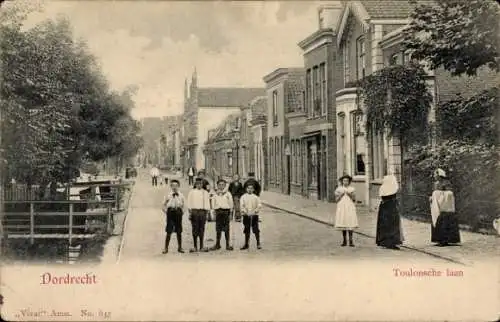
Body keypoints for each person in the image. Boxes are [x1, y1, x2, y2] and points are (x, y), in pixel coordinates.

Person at [375, 174, 404, 250]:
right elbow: (393, 198)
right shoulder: (391, 188)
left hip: (384, 208)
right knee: (392, 225)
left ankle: (384, 241)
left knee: (385, 225)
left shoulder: (383, 188)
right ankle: (391, 242)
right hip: (391, 208)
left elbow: (384, 197)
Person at [430, 178, 460, 246]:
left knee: (442, 226)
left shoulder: (437, 193)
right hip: (448, 211)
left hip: (443, 212)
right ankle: (445, 240)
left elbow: (437, 202)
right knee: (445, 226)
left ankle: (442, 241)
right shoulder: (449, 193)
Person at [187, 177, 210, 253]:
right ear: (195, 184)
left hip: (202, 212)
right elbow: (189, 203)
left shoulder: (205, 193)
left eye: (200, 184)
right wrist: (190, 213)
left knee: (201, 229)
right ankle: (195, 246)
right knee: (195, 229)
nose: (199, 185)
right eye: (197, 184)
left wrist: (206, 214)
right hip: (194, 212)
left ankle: (201, 246)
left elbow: (207, 203)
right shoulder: (192, 192)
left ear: (202, 184)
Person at [334, 175, 358, 247]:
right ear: (342, 181)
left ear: (349, 182)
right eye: (344, 181)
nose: (345, 182)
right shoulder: (339, 189)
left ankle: (351, 241)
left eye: (347, 181)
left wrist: (349, 194)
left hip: (349, 206)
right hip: (342, 206)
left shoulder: (352, 189)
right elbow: (336, 200)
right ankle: (344, 240)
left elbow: (354, 199)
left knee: (350, 222)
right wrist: (341, 195)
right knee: (343, 222)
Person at [210, 179, 234, 251]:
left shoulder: (228, 194)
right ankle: (218, 244)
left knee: (226, 229)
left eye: (223, 185)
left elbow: (231, 204)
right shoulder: (215, 194)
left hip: (225, 212)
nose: (221, 186)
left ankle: (227, 245)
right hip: (218, 212)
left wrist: (230, 214)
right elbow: (213, 204)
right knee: (218, 229)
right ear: (217, 186)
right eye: (219, 185)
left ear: (225, 185)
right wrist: (213, 214)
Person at [161, 179, 185, 254]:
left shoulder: (181, 195)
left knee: (179, 230)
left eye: (176, 186)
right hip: (170, 213)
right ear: (171, 186)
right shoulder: (168, 195)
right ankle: (166, 248)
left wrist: (181, 212)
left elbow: (184, 205)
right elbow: (163, 205)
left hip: (178, 213)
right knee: (169, 230)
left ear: (178, 186)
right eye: (173, 186)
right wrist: (166, 212)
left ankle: (180, 247)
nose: (174, 187)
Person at [240, 184, 262, 250]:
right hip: (246, 216)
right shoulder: (243, 197)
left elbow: (259, 205)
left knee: (256, 230)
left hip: (254, 216)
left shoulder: (256, 197)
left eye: (251, 188)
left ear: (253, 189)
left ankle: (258, 243)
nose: (250, 190)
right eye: (248, 188)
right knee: (247, 229)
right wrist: (245, 212)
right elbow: (242, 206)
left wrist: (255, 211)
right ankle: (246, 244)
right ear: (246, 189)